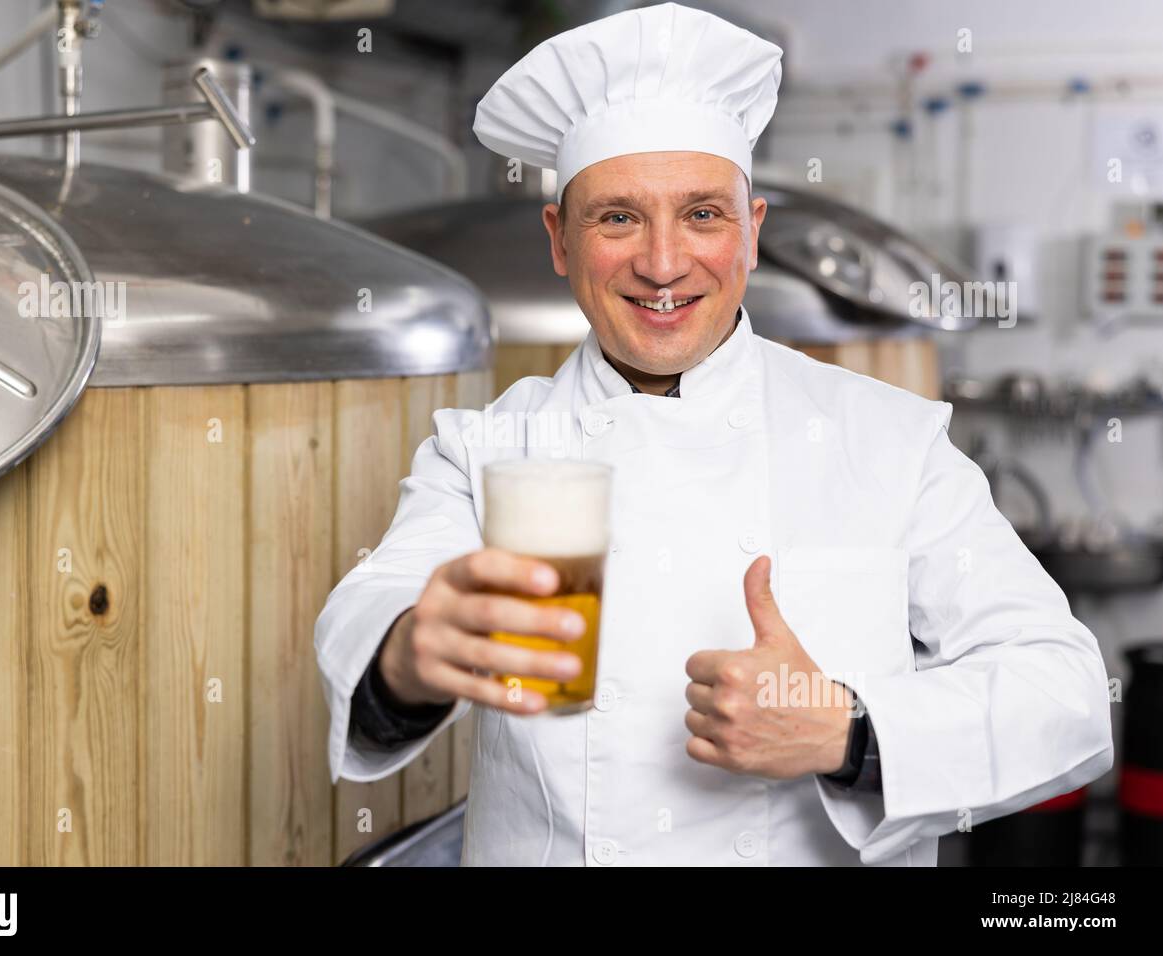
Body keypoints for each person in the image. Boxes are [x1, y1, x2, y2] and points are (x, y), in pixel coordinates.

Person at [314, 2, 1113, 865]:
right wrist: (409, 655)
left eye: (702, 214)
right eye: (617, 217)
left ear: (753, 232)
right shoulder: (483, 451)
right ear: (559, 240)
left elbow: (1065, 693)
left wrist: (848, 733)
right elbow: (376, 608)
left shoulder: (889, 440)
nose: (663, 263)